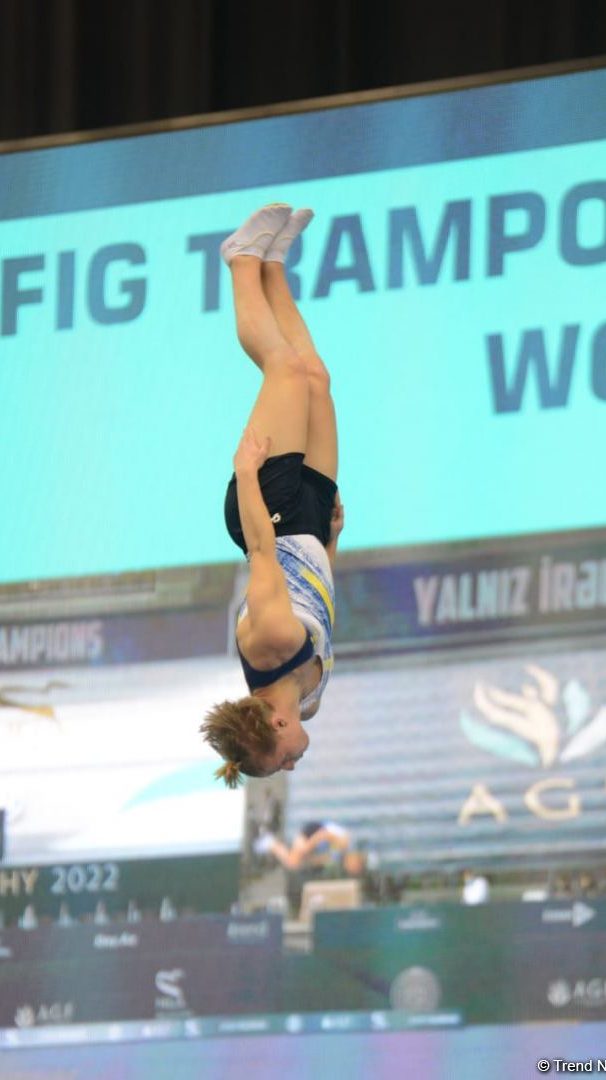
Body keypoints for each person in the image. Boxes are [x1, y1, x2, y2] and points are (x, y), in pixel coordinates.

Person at [200, 204, 343, 787]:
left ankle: (240, 262)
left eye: (279, 760)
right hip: (307, 525)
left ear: (276, 724)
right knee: (314, 378)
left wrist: (248, 472)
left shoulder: (269, 644)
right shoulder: (307, 698)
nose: (291, 763)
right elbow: (318, 601)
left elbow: (262, 550)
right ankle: (276, 264)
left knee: (281, 369)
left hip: (270, 509)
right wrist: (331, 544)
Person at [253, 820, 351, 870]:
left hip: (314, 842)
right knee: (298, 856)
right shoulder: (343, 842)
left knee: (292, 863)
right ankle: (270, 842)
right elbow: (323, 834)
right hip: (313, 831)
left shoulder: (336, 858)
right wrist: (308, 846)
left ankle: (270, 843)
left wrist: (306, 861)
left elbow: (319, 859)